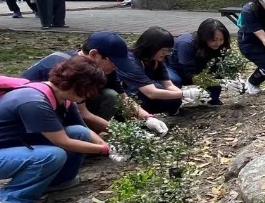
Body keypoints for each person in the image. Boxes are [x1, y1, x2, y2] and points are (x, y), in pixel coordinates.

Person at [0, 56, 114, 203]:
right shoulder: (34, 102)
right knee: (52, 155)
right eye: (90, 89)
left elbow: (84, 130)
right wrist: (105, 150)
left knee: (79, 133)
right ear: (78, 85)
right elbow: (63, 142)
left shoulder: (63, 99)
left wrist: (105, 145)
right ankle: (9, 200)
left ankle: (58, 181)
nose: (90, 95)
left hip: (15, 146)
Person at [21, 31, 167, 135]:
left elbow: (123, 98)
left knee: (111, 95)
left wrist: (148, 118)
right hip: (34, 117)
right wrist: (126, 133)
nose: (116, 67)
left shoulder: (103, 67)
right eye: (114, 63)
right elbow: (82, 113)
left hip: (67, 107)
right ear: (94, 54)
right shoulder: (69, 69)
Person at [118, 27, 204, 115]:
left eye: (168, 50)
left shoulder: (156, 60)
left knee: (173, 97)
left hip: (146, 90)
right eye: (163, 50)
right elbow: (151, 93)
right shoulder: (132, 61)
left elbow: (168, 85)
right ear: (151, 47)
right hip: (130, 94)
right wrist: (184, 94)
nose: (166, 53)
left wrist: (183, 95)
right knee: (162, 93)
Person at [168, 18, 231, 105]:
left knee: (217, 76)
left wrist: (229, 78)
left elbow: (219, 66)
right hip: (178, 70)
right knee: (174, 80)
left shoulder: (219, 46)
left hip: (200, 69)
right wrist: (217, 82)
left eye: (221, 40)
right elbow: (189, 72)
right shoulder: (186, 44)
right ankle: (172, 104)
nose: (218, 43)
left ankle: (212, 99)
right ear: (204, 37)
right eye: (214, 40)